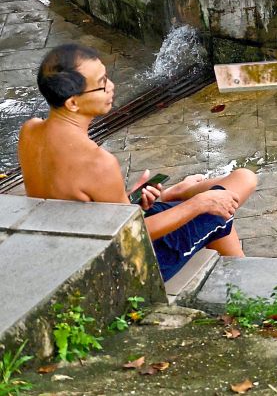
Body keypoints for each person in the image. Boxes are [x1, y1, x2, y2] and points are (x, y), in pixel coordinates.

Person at [18, 43, 258, 282]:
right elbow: (130, 235)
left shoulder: (30, 131)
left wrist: (131, 200)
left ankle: (239, 273)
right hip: (125, 265)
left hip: (71, 244)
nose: (111, 87)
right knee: (231, 193)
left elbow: (83, 209)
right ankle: (243, 279)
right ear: (72, 103)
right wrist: (198, 204)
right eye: (102, 85)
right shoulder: (97, 162)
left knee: (221, 197)